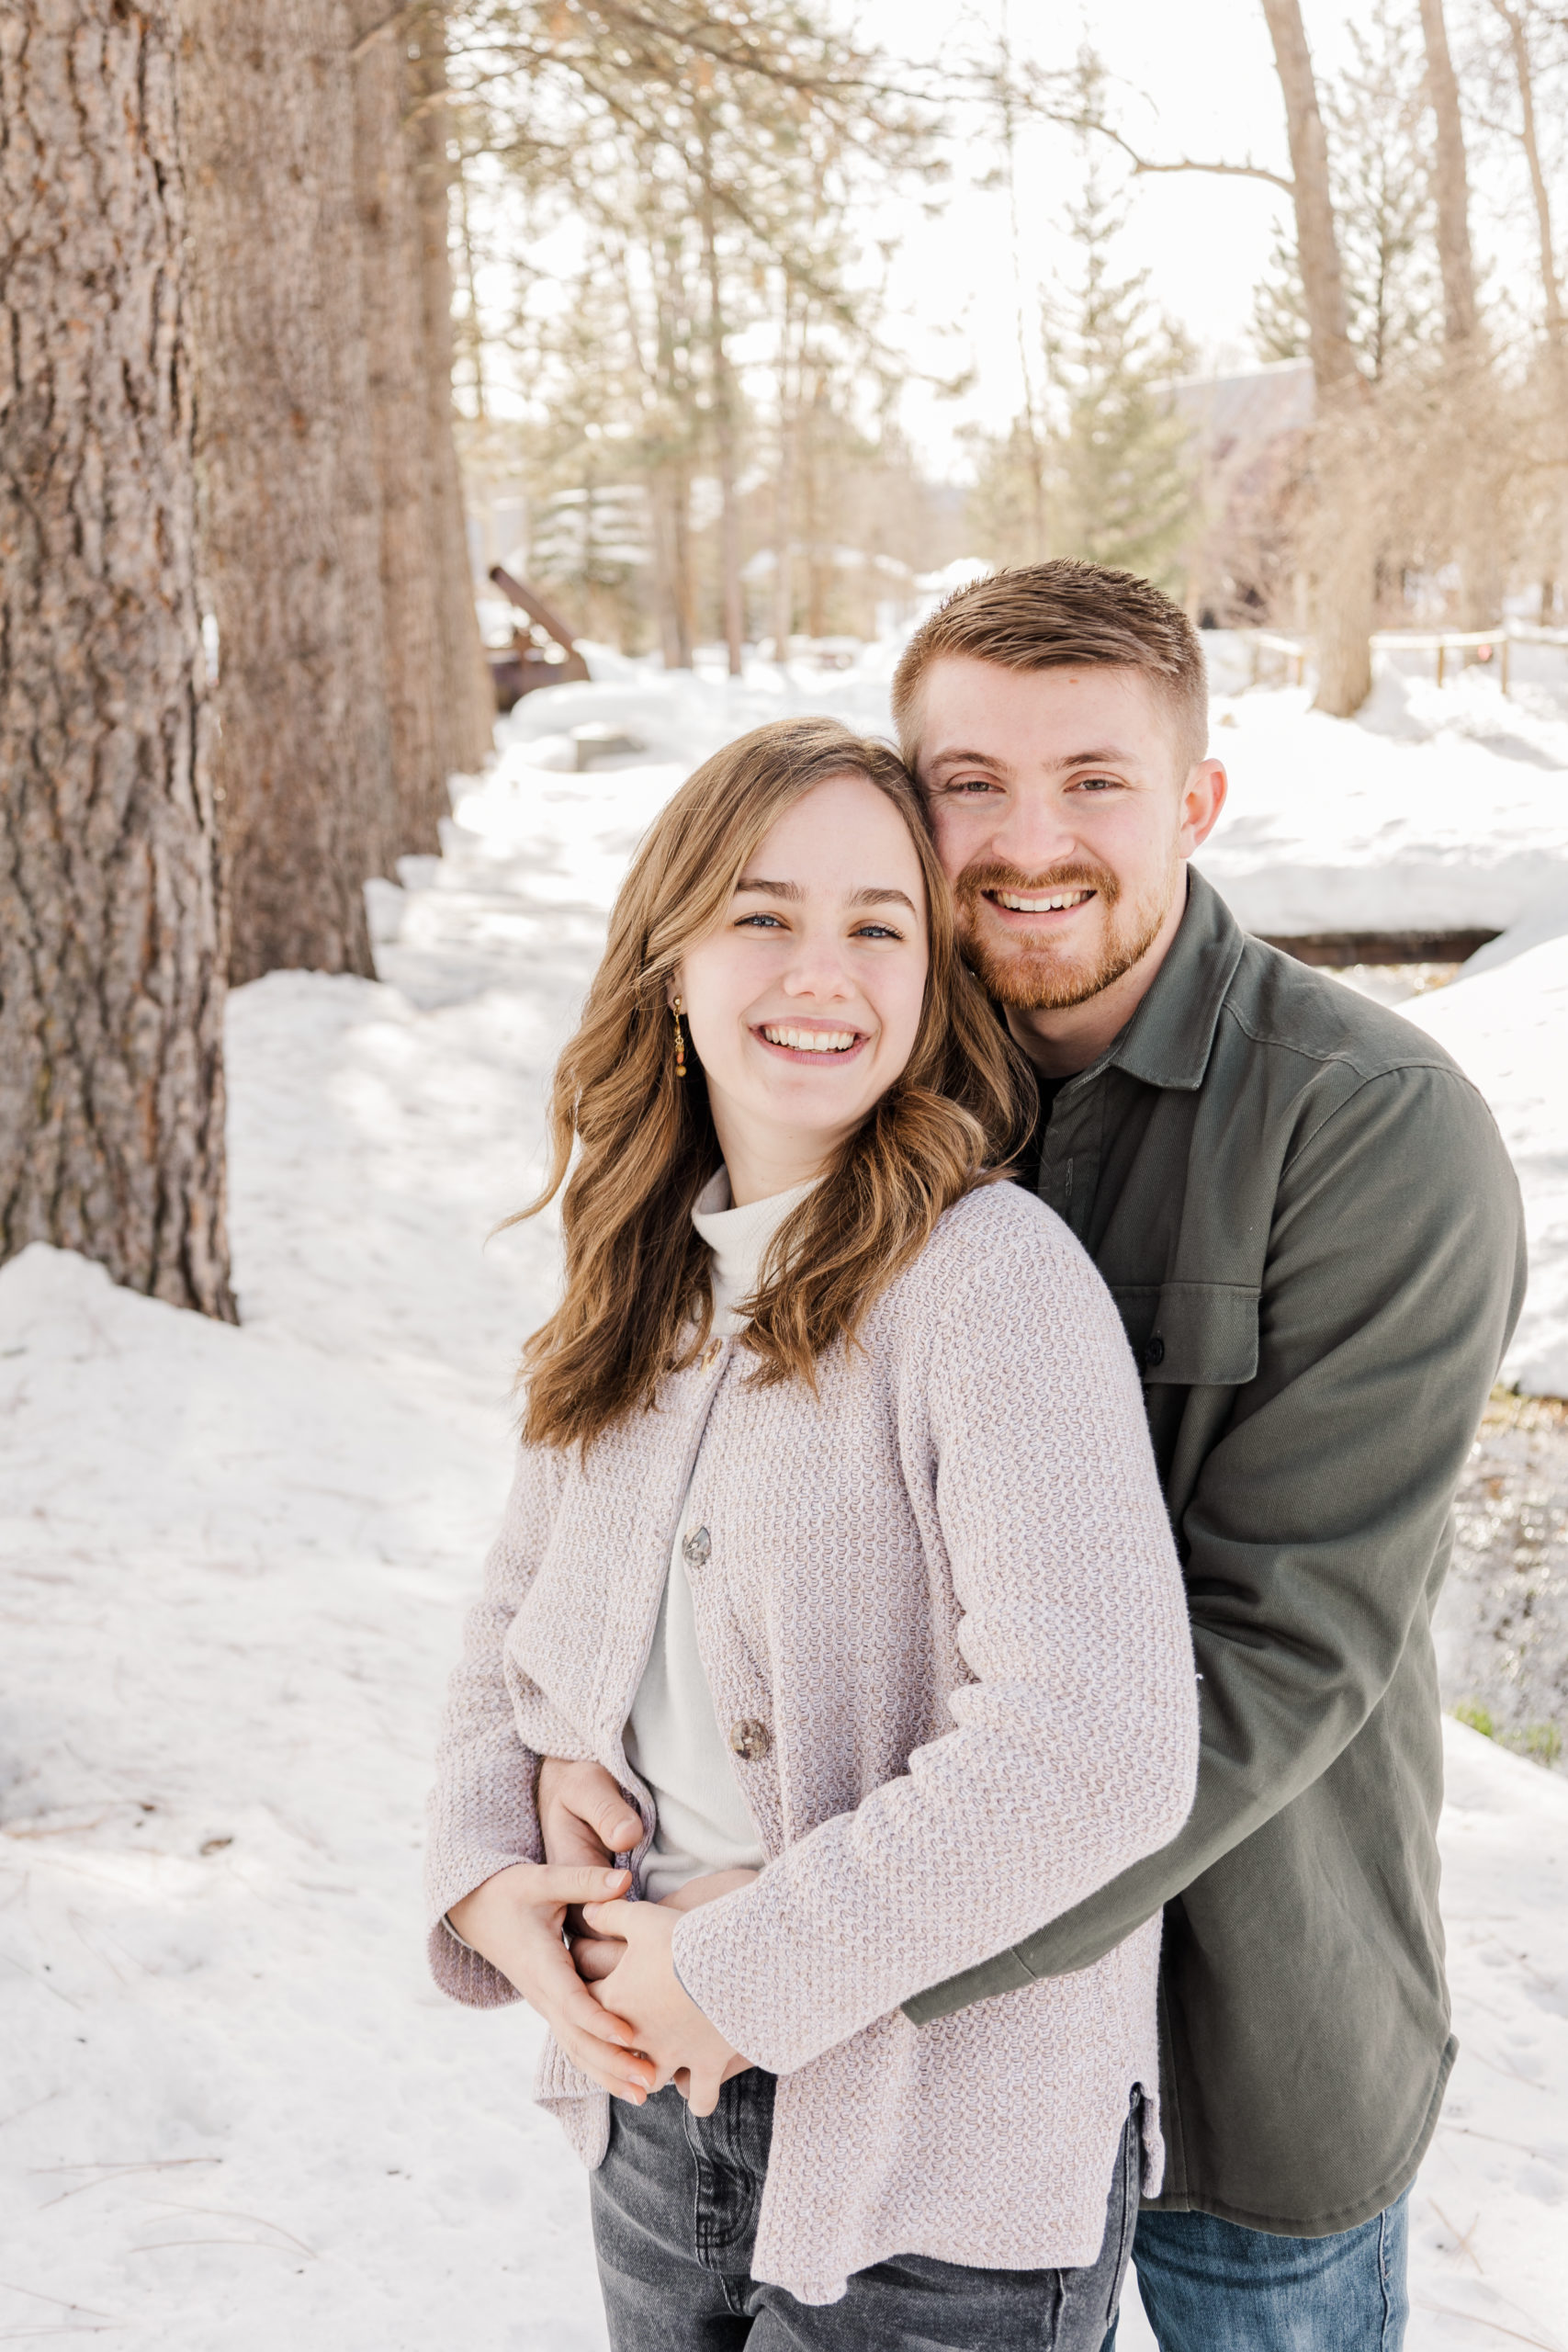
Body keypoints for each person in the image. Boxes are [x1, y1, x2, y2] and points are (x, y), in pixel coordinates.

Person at [538, 566, 1529, 2352]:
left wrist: (818, 1956)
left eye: (1091, 779)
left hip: (1244, 2008)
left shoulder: (1370, 1132)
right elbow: (641, 1460)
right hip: (884, 2064)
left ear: (1194, 802)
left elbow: (1282, 1641)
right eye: (967, 783)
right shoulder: (852, 1058)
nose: (1024, 837)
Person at [425, 714, 1201, 2349]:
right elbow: (513, 1617)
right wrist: (485, 1864)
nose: (819, 971)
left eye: (877, 926)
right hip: (658, 2118)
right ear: (670, 959)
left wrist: (753, 1963)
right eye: (761, 915)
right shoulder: (644, 1276)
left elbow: (1107, 1743)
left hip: (944, 2157)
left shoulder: (990, 1284)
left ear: (930, 984)